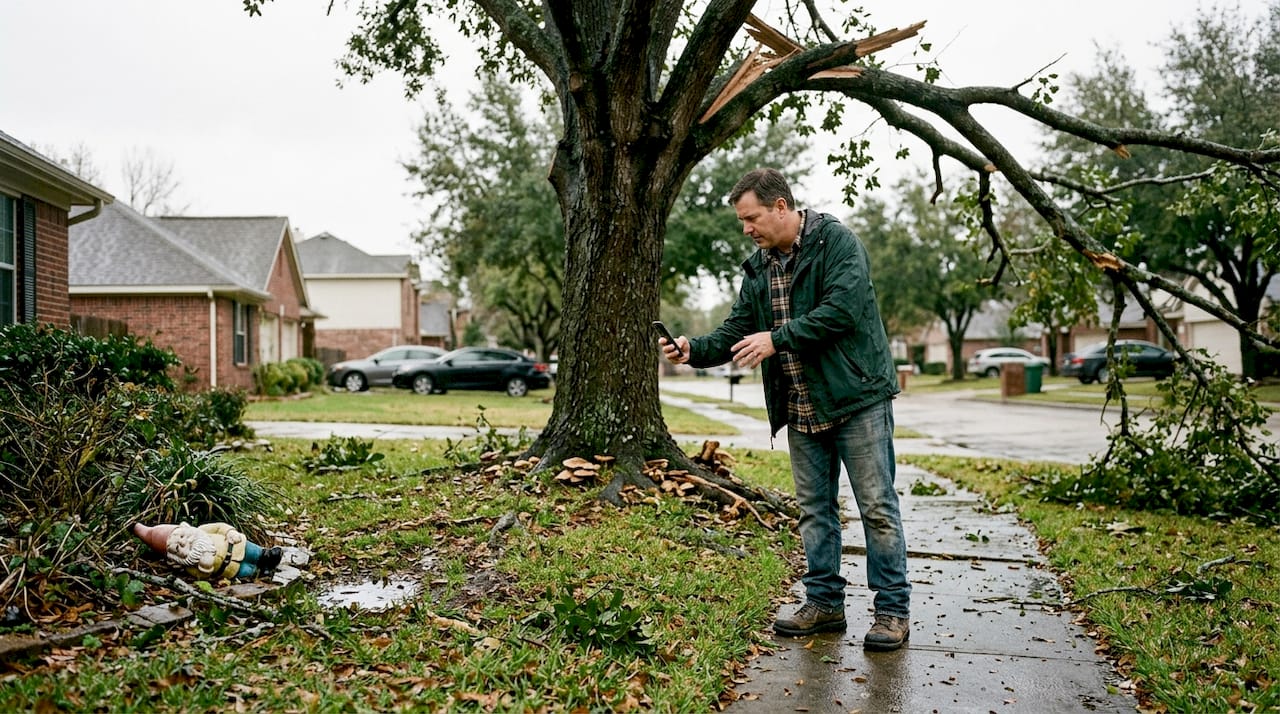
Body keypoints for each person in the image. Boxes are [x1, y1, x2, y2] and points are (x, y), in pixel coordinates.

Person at [658, 168, 910, 651]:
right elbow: (738, 330)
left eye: (751, 218)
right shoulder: (759, 268)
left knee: (877, 508)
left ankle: (892, 611)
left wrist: (777, 338)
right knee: (815, 511)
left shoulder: (836, 243)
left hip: (857, 399)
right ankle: (824, 604)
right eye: (741, 221)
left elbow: (842, 311)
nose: (746, 229)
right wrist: (694, 350)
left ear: (780, 206)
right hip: (801, 405)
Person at [133, 521, 284, 581]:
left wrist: (230, 532)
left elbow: (219, 526)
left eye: (182, 536)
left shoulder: (203, 531)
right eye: (178, 547)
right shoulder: (189, 565)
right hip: (231, 569)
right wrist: (205, 568)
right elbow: (200, 576)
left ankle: (266, 556)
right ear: (174, 557)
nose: (185, 542)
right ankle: (260, 572)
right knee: (247, 571)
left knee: (253, 552)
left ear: (186, 527)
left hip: (236, 546)